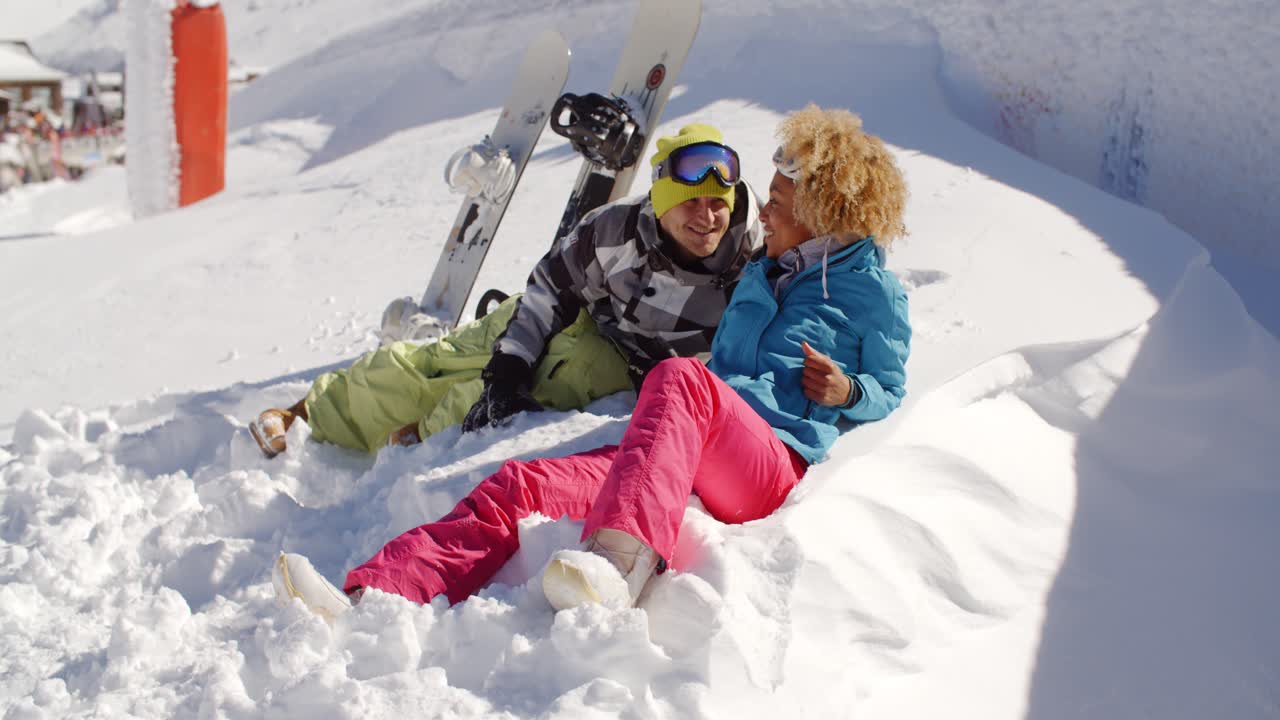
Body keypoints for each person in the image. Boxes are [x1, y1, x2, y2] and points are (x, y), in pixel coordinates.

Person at [272, 105, 913, 622]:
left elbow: (889, 384)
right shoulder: (760, 270)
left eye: (777, 199)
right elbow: (563, 280)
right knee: (521, 485)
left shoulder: (870, 290)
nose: (761, 208)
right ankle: (374, 595)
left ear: (826, 210)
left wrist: (849, 390)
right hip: (687, 447)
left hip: (765, 459)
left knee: (680, 378)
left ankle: (622, 564)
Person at [249, 123, 767, 457]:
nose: (708, 217)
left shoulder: (758, 260)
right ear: (660, 200)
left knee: (543, 383)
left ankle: (419, 437)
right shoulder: (614, 229)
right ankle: (313, 412)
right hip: (581, 314)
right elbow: (549, 289)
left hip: (628, 366)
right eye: (691, 202)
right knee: (457, 355)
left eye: (718, 202)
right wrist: (509, 364)